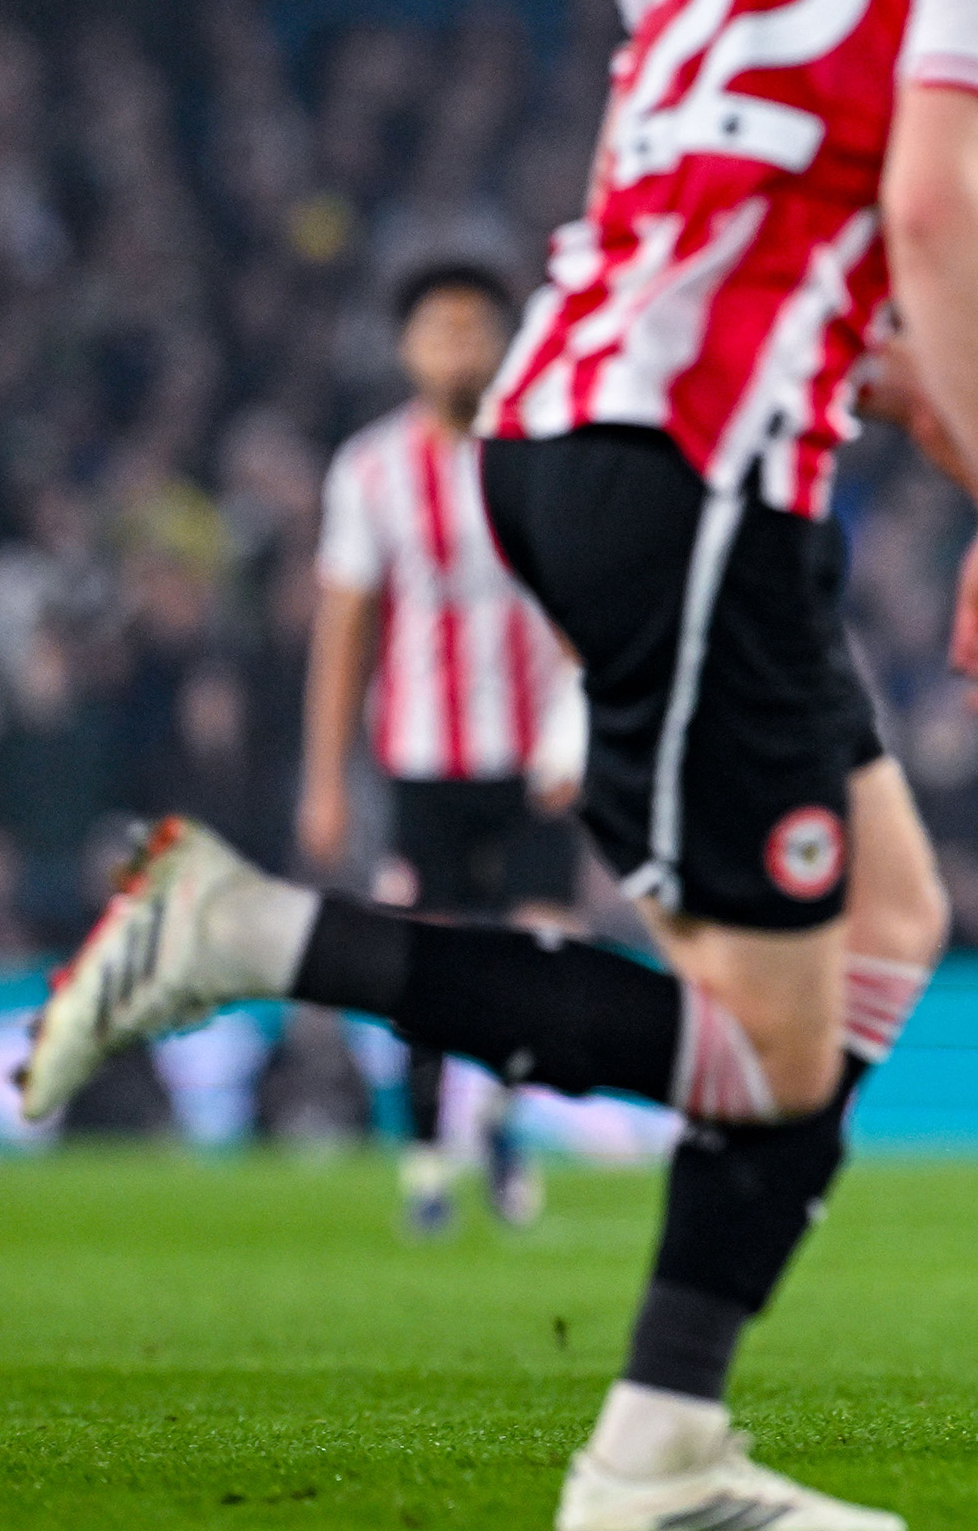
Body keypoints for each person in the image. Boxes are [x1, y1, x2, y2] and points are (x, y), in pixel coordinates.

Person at [22, 0, 978, 1526]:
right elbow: (938, 203)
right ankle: (243, 933)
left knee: (890, 925)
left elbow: (699, 224)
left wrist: (935, 405)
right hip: (693, 480)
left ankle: (665, 1437)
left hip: (604, 442)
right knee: (773, 1060)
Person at [302, 261, 585, 1236]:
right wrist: (324, 780)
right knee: (426, 962)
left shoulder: (546, 452)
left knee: (541, 954)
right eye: (439, 328)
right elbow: (343, 630)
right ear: (406, 348)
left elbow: (580, 607)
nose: (457, 345)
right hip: (422, 762)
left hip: (536, 754)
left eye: (475, 328)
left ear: (504, 343)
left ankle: (499, 1117)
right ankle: (427, 1160)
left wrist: (585, 730)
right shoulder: (370, 469)